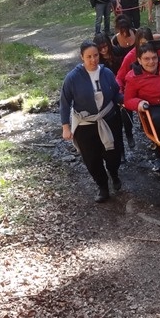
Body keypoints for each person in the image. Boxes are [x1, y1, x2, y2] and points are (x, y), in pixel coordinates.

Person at [60, 40, 125, 203]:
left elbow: (116, 93)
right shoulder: (72, 78)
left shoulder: (107, 73)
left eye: (95, 55)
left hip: (108, 119)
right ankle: (102, 187)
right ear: (82, 57)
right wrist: (65, 127)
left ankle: (114, 173)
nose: (93, 60)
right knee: (92, 158)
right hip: (85, 125)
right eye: (89, 56)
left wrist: (127, 100)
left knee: (113, 154)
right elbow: (65, 102)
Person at [123, 43, 160, 173]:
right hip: (153, 105)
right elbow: (128, 99)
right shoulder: (133, 77)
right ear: (139, 60)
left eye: (154, 58)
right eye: (146, 59)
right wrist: (139, 103)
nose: (151, 62)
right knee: (159, 120)